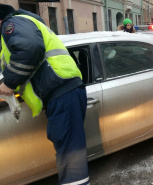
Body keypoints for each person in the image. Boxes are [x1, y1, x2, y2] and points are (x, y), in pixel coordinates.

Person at [0, 4, 89, 185]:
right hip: (61, 93)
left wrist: (9, 83)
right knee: (68, 152)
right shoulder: (23, 25)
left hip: (61, 93)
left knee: (71, 157)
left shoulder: (13, 23)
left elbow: (31, 48)